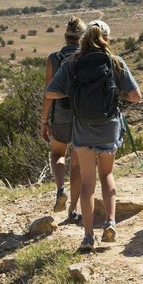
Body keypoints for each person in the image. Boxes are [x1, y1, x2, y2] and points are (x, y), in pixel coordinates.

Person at [45, 19, 141, 251]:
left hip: (83, 128)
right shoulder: (115, 62)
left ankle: (88, 236)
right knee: (107, 174)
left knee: (88, 182)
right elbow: (136, 96)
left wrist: (73, 93)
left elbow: (50, 92)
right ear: (106, 38)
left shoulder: (72, 63)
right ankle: (110, 222)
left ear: (84, 38)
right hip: (109, 127)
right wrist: (117, 95)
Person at [40, 16, 86, 223]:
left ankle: (60, 189)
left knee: (58, 153)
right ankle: (73, 210)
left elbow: (48, 93)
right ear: (82, 37)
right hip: (81, 115)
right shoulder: (86, 57)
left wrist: (44, 121)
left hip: (60, 114)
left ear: (66, 36)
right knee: (76, 166)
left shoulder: (54, 58)